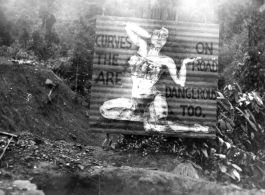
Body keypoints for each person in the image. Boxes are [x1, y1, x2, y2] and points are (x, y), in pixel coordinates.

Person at [99, 23, 210, 133]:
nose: (159, 39)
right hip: (135, 99)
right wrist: (147, 35)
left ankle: (195, 128)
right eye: (157, 34)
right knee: (104, 110)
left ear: (166, 41)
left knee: (157, 126)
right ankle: (146, 119)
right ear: (151, 36)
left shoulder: (167, 60)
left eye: (163, 37)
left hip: (153, 97)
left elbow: (180, 82)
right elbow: (128, 27)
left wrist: (184, 64)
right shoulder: (142, 46)